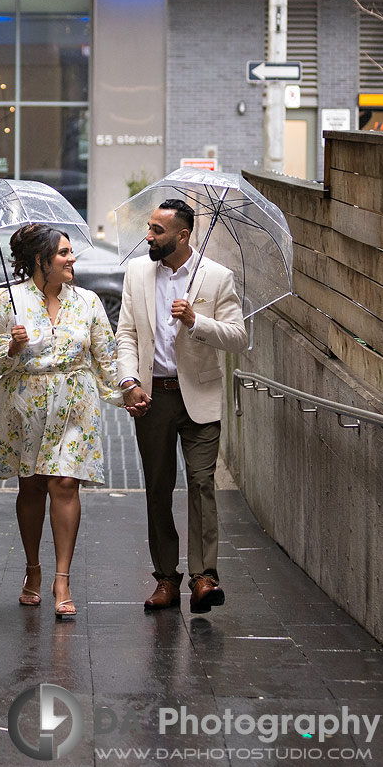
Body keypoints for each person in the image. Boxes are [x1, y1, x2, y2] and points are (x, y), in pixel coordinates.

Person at [0, 222, 124, 618]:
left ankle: (62, 578)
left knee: (66, 482)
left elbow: (106, 357)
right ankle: (32, 569)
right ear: (40, 260)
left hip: (75, 404)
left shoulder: (88, 302)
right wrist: (11, 346)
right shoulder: (6, 301)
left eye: (71, 252)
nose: (72, 259)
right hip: (24, 405)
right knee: (32, 486)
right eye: (63, 253)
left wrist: (128, 393)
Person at [117, 198, 247, 614]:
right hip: (152, 396)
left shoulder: (217, 277)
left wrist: (196, 321)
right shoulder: (137, 272)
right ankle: (166, 579)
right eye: (150, 228)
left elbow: (238, 337)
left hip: (200, 397)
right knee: (157, 488)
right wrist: (128, 381)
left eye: (157, 230)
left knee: (202, 483)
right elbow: (126, 335)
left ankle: (204, 577)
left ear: (183, 235)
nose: (149, 236)